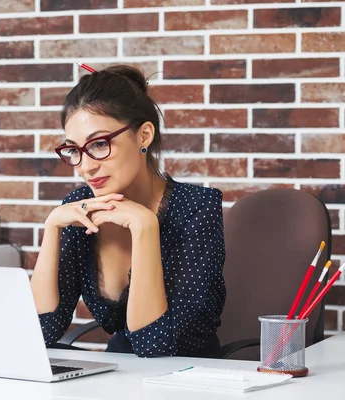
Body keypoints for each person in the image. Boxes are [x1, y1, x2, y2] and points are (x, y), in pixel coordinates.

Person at [30, 65, 226, 358]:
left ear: (144, 135)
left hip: (188, 378)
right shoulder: (82, 207)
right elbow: (40, 332)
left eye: (99, 144)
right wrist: (52, 227)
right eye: (74, 150)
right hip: (121, 375)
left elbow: (155, 348)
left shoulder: (197, 208)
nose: (86, 167)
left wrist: (145, 225)